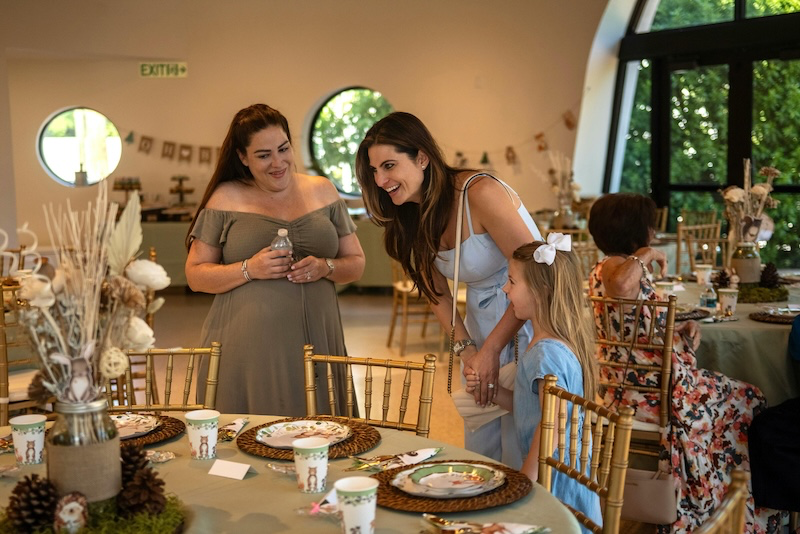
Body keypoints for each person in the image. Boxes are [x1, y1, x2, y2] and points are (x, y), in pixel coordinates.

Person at [355, 111, 542, 467]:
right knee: (483, 437)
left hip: (527, 320)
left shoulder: (480, 193)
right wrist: (468, 351)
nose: (380, 180)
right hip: (479, 324)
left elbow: (536, 279)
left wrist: (492, 349)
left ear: (422, 157)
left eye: (389, 166)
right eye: (374, 171)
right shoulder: (411, 211)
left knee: (521, 438)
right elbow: (436, 293)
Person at [587, 193, 781, 533]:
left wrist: (677, 328)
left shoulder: (607, 268)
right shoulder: (616, 269)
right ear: (636, 231)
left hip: (628, 390)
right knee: (750, 398)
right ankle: (721, 508)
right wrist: (647, 254)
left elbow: (633, 327)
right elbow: (620, 285)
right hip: (654, 396)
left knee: (740, 396)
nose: (653, 233)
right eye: (649, 227)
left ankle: (719, 498)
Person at [185, 104, 365, 415]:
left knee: (324, 432)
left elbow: (356, 263)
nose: (278, 162)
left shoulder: (322, 191)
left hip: (319, 340)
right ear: (243, 157)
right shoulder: (225, 197)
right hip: (249, 348)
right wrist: (249, 269)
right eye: (263, 155)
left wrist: (325, 267)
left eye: (283, 149)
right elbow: (195, 276)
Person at [465, 237, 600, 531]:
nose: (505, 289)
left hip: (555, 487)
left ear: (541, 291)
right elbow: (534, 409)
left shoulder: (546, 353)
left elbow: (551, 425)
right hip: (559, 474)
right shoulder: (550, 344)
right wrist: (491, 391)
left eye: (512, 282)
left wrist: (525, 481)